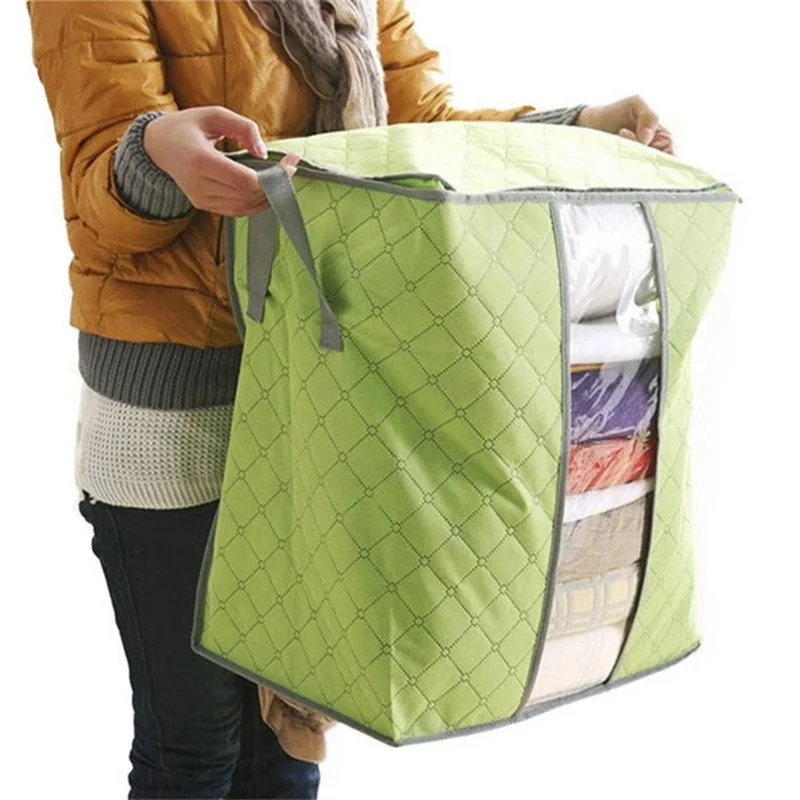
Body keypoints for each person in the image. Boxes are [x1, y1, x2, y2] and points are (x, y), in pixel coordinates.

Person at [28, 1, 674, 797]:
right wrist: (157, 153)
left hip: (321, 392)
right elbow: (97, 192)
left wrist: (578, 127)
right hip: (177, 416)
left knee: (289, 742)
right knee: (194, 751)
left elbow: (420, 129)